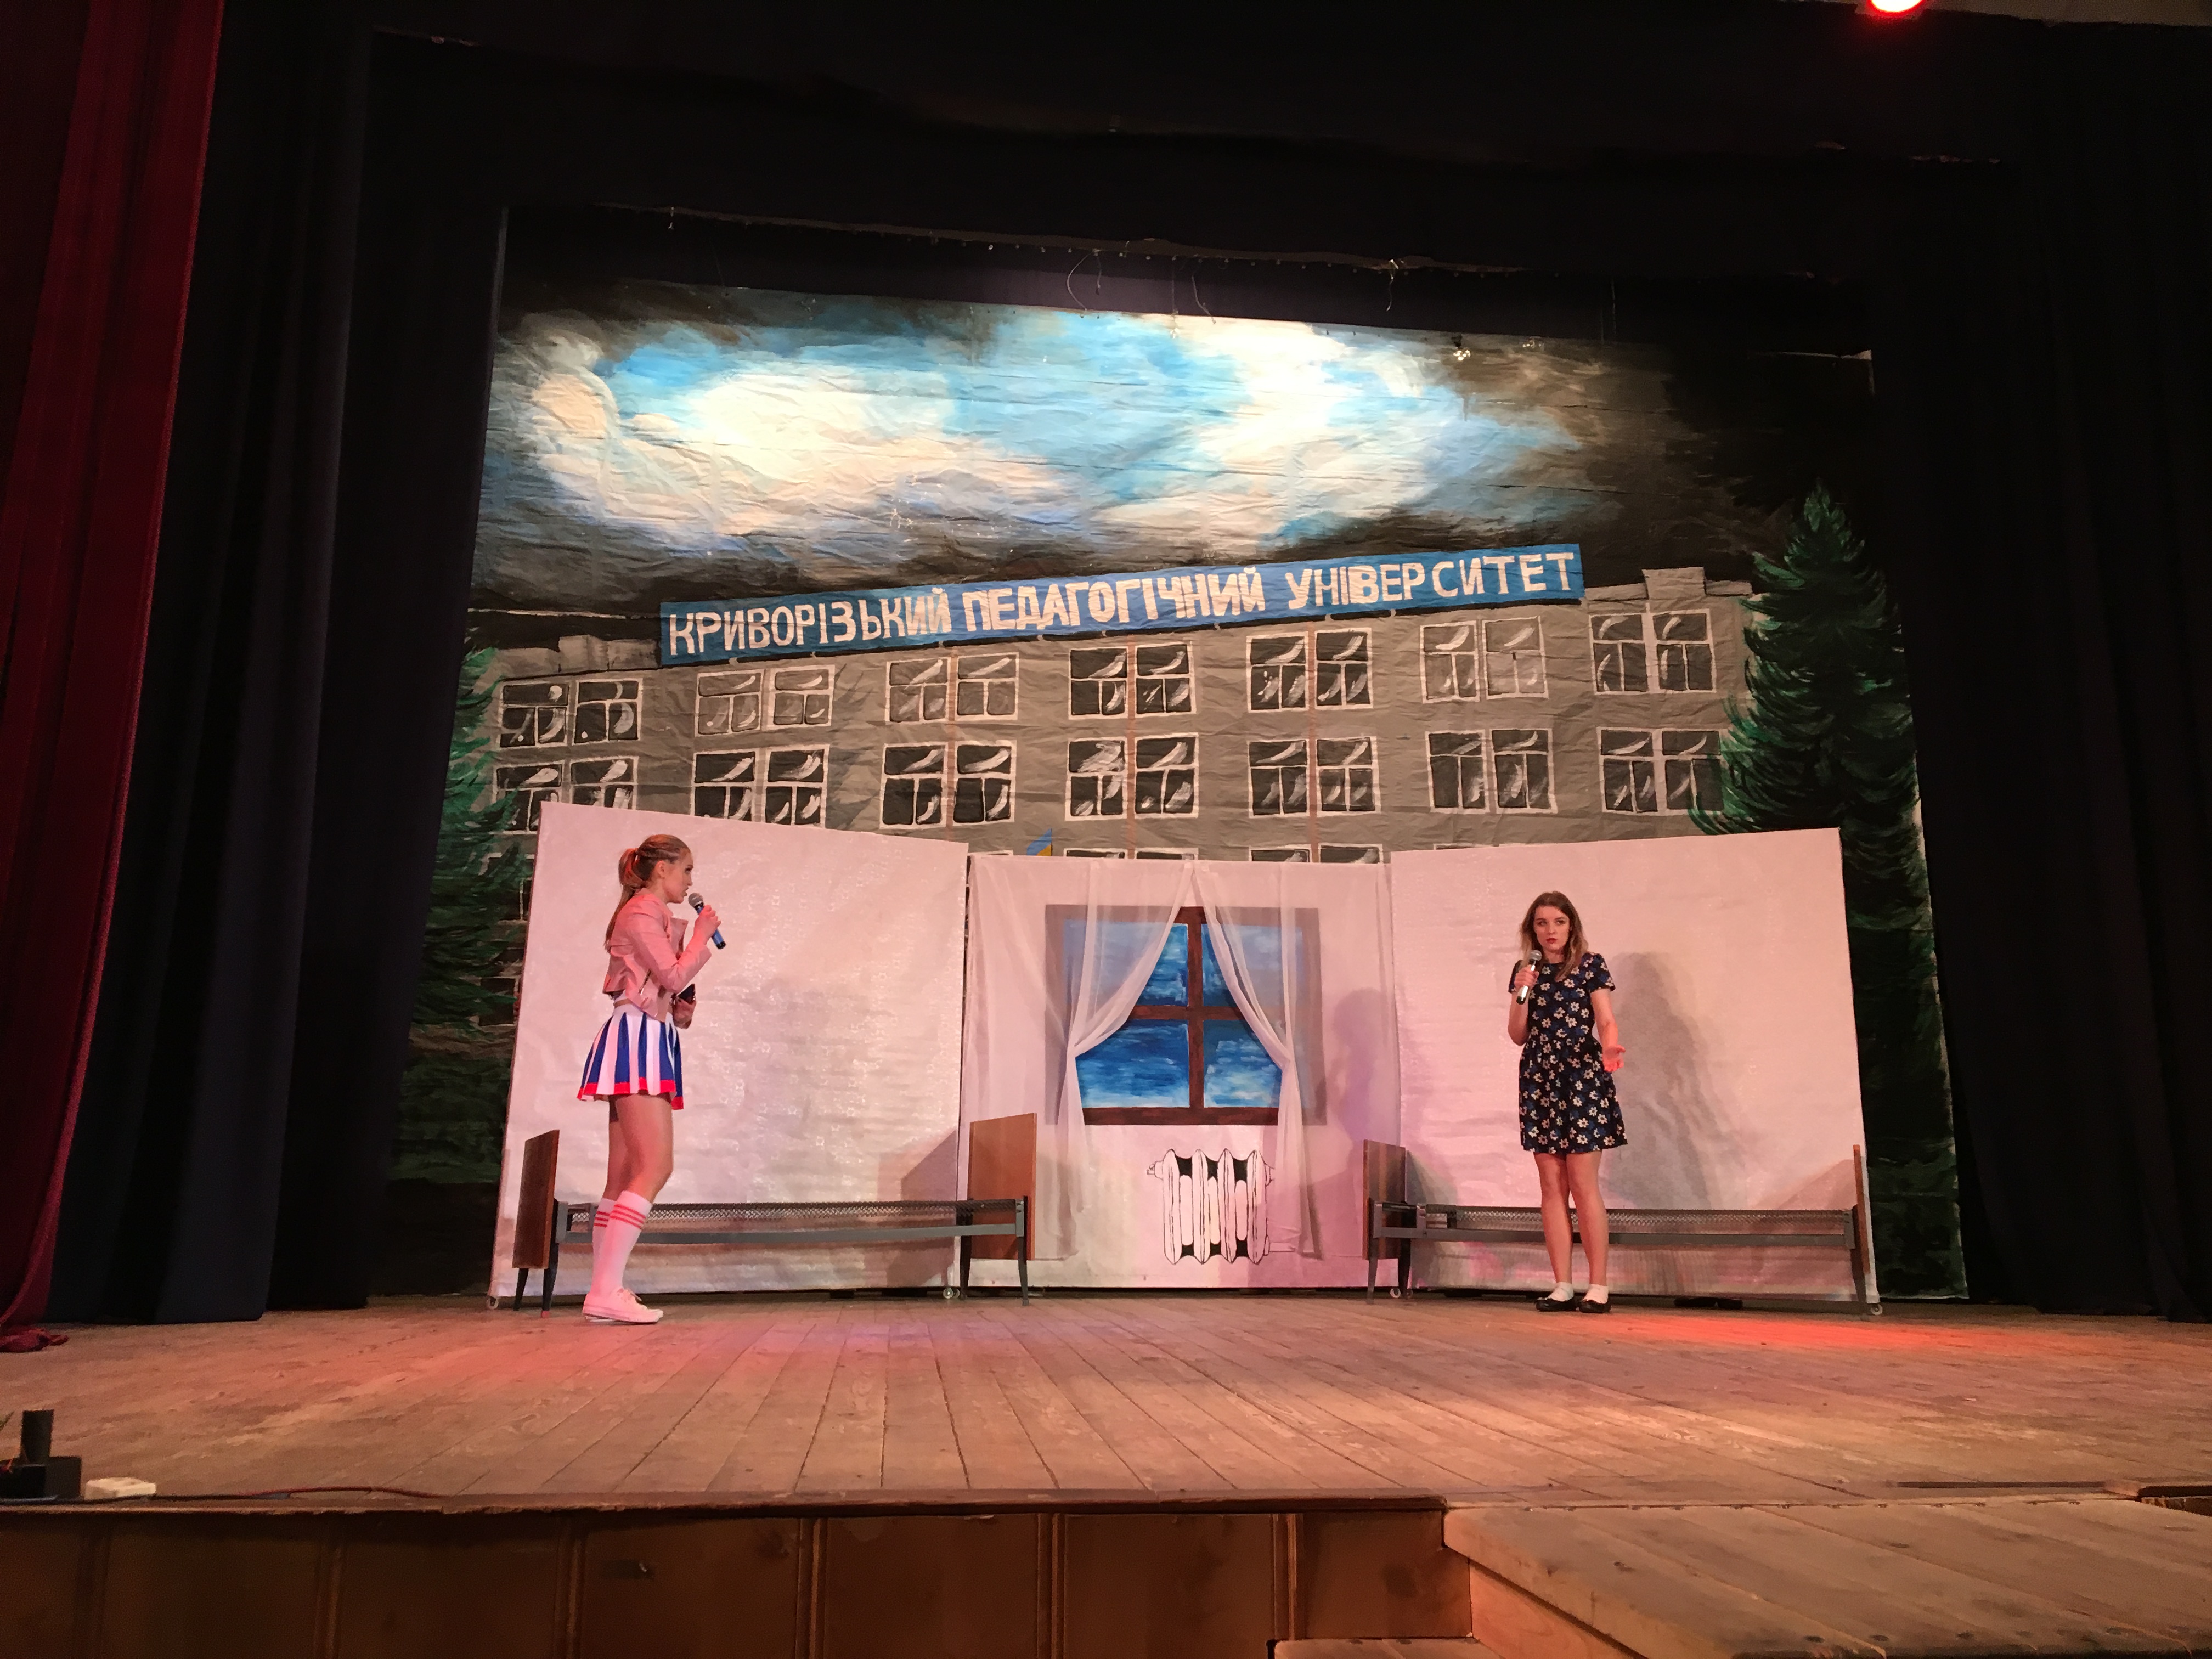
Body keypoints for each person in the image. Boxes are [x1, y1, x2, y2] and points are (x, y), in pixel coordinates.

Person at [574, 834, 720, 1324]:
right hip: (637, 1038)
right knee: (655, 1166)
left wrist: (682, 1008)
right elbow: (672, 975)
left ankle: (603, 1289)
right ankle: (606, 1290)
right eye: (686, 870)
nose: (690, 881)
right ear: (662, 869)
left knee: (623, 1174)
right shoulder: (640, 912)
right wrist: (701, 938)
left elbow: (667, 991)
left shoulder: (650, 915)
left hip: (647, 1035)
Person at [1506, 890, 1626, 1313]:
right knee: (1551, 1186)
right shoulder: (1526, 970)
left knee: (1582, 1183)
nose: (1550, 930)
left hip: (1581, 1075)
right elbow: (1517, 1034)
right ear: (1533, 929)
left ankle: (1599, 1286)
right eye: (1542, 923)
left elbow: (1605, 1020)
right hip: (1540, 1079)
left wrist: (1610, 1047)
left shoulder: (1590, 965)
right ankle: (1562, 1284)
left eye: (1558, 922)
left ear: (1571, 925)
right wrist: (1521, 992)